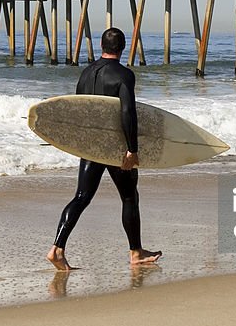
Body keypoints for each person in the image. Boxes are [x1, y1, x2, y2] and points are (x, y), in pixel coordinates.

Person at [46, 27, 162, 271]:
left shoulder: (86, 73)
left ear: (101, 46)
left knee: (81, 197)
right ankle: (135, 252)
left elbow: (76, 110)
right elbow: (127, 112)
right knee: (130, 196)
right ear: (123, 48)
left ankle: (57, 249)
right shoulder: (124, 75)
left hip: (91, 146)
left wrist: (80, 144)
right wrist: (132, 149)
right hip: (116, 148)